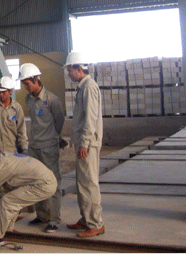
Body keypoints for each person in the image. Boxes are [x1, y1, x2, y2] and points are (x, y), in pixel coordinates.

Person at [18, 63, 65, 233]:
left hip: (49, 148)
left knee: (52, 182)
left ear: (36, 79)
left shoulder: (52, 100)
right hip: (34, 147)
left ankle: (54, 219)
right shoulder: (28, 99)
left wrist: (52, 137)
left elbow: (60, 122)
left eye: (27, 83)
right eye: (24, 84)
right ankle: (42, 215)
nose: (26, 87)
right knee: (36, 181)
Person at [64, 52, 105, 237]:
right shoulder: (83, 87)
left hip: (88, 144)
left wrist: (85, 142)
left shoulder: (89, 87)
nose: (68, 74)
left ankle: (95, 223)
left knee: (89, 183)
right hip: (84, 142)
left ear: (78, 68)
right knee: (82, 182)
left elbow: (91, 117)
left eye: (69, 70)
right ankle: (86, 219)